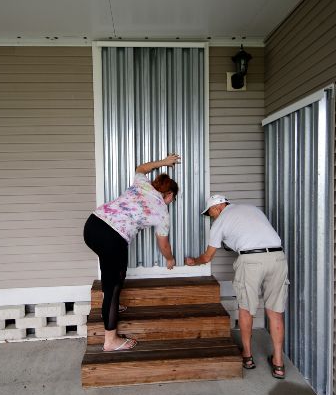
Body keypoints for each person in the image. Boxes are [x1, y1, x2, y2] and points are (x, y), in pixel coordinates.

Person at [83, 153, 181, 352]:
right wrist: (170, 259)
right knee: (114, 285)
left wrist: (163, 162)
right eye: (173, 198)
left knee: (117, 271)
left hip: (93, 225)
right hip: (113, 236)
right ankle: (110, 341)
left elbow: (141, 168)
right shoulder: (162, 211)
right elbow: (164, 244)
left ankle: (110, 301)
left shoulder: (142, 184)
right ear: (169, 195)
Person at [185, 194, 289, 379]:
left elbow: (208, 257)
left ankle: (247, 356)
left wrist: (195, 261)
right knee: (275, 311)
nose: (212, 217)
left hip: (250, 261)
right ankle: (279, 363)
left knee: (246, 309)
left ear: (217, 208)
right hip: (278, 258)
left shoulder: (220, 222)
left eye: (210, 213)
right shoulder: (252, 208)